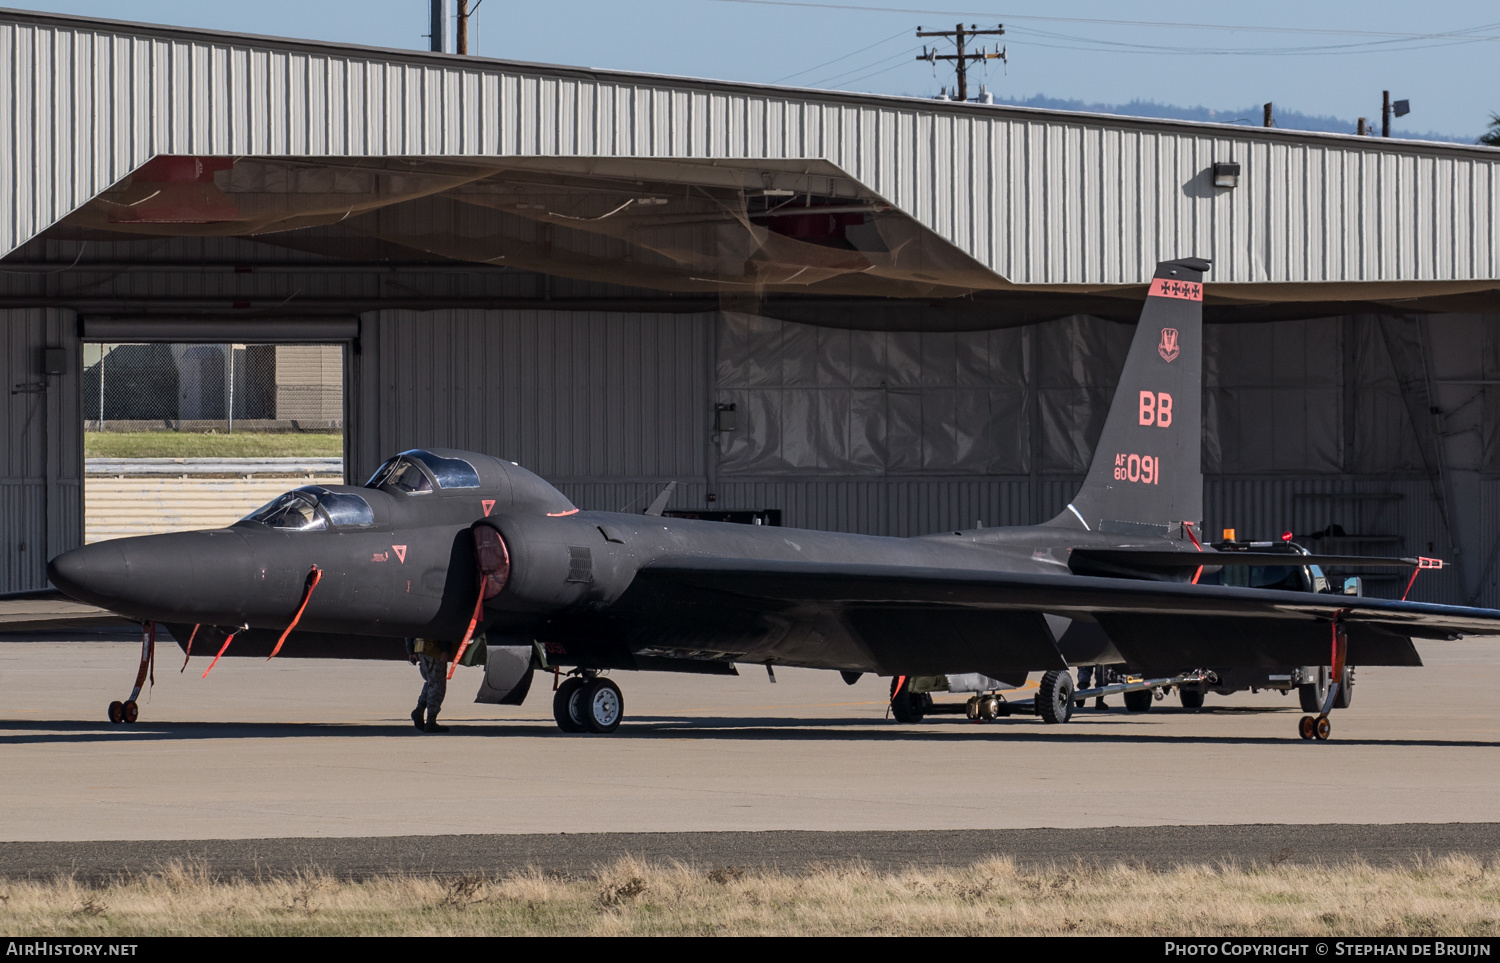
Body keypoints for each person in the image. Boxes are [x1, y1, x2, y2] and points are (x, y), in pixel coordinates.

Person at [406, 637, 451, 733]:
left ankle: (420, 708)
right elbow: (441, 629)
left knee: (431, 682)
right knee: (437, 685)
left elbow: (409, 630)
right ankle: (431, 721)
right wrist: (445, 650)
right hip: (435, 649)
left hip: (420, 647)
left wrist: (411, 651)